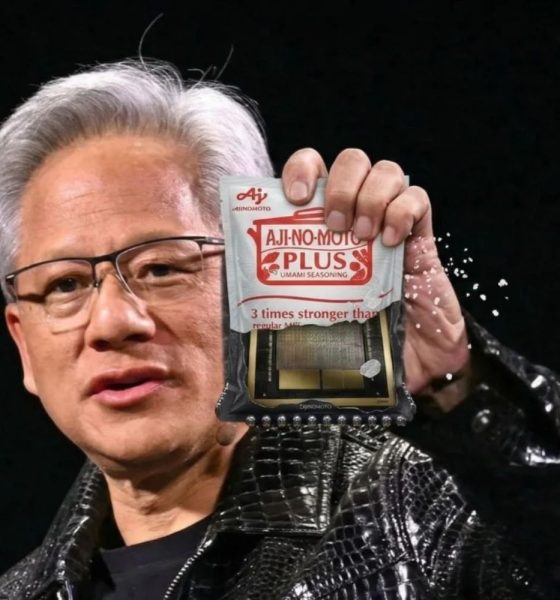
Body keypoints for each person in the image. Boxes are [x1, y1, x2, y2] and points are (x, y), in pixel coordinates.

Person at [0, 59, 558, 600]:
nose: (113, 322)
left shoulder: (432, 506)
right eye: (65, 284)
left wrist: (459, 391)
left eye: (162, 268)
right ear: (24, 343)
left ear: (254, 283)